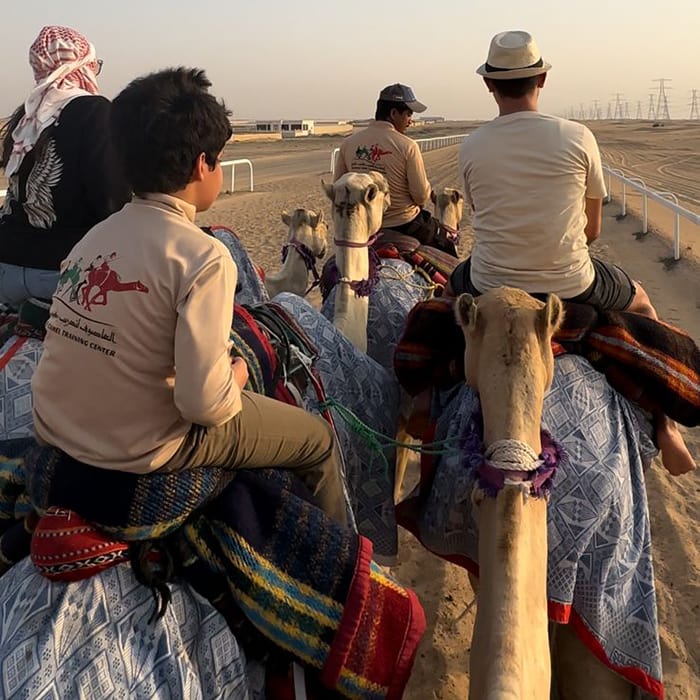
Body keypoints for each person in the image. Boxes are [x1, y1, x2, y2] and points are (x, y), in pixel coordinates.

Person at [31, 67, 347, 524]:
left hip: (55, 428)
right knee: (317, 439)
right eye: (219, 158)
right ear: (203, 165)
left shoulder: (93, 238)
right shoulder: (205, 257)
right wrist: (237, 374)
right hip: (144, 450)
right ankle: (337, 573)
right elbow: (204, 404)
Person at [446, 29, 694, 476]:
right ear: (541, 79)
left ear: (489, 85)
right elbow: (593, 228)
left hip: (489, 282)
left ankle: (423, 411)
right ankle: (666, 426)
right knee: (640, 300)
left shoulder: (472, 145)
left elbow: (482, 215)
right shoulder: (578, 137)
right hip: (572, 284)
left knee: (441, 301)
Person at [0, 25, 131, 306]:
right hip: (62, 273)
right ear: (83, 64)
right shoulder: (94, 111)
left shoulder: (25, 115)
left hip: (6, 269)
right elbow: (111, 201)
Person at [334, 84, 441, 247]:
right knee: (446, 245)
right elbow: (420, 196)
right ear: (393, 113)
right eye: (408, 114)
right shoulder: (408, 146)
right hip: (403, 224)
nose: (410, 121)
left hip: (362, 227)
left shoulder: (348, 144)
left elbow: (338, 189)